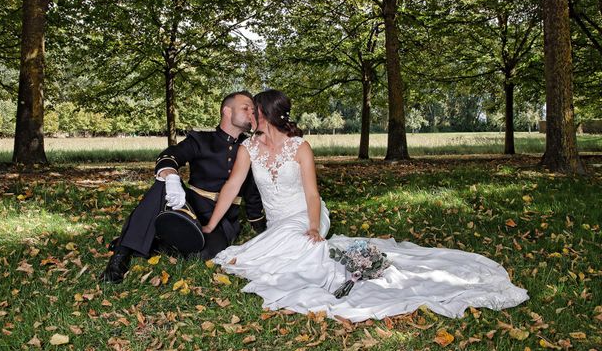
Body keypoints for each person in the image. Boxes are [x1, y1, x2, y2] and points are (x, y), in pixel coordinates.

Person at [202, 89, 529, 321]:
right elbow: (231, 187)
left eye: (253, 111)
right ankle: (281, 256)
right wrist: (211, 224)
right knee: (294, 246)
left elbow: (313, 195)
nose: (249, 116)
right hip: (279, 224)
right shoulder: (249, 149)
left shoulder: (300, 148)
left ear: (267, 115)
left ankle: (250, 258)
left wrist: (314, 226)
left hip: (307, 215)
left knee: (299, 237)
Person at [100, 91, 266, 284]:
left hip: (224, 219)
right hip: (191, 206)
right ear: (227, 111)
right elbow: (170, 155)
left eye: (253, 110)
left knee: (208, 254)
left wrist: (262, 227)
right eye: (245, 108)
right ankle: (120, 255)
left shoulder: (252, 147)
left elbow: (253, 193)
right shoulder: (201, 139)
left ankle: (157, 244)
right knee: (161, 185)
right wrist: (171, 178)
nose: (251, 114)